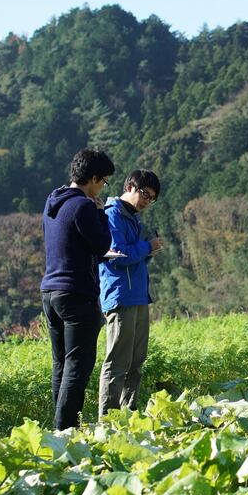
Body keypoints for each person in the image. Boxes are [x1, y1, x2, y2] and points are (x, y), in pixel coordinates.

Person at [40, 148, 115, 431]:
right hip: (76, 292)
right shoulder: (83, 206)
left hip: (50, 291)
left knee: (60, 363)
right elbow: (102, 244)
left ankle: (59, 429)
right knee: (78, 366)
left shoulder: (53, 202)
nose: (102, 187)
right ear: (93, 178)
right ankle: (67, 430)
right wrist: (101, 213)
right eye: (103, 181)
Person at [97, 169, 163, 418]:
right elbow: (115, 255)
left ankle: (129, 415)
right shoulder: (112, 214)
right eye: (145, 194)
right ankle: (108, 420)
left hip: (138, 296)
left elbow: (134, 259)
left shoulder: (133, 218)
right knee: (117, 362)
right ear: (130, 187)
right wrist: (147, 246)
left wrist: (148, 252)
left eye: (152, 198)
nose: (147, 201)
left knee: (136, 362)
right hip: (120, 297)